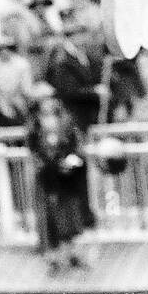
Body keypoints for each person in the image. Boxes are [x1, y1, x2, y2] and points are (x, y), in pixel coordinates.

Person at [27, 91, 89, 273]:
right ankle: (52, 260)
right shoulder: (35, 127)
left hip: (67, 179)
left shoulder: (67, 122)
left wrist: (72, 160)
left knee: (69, 216)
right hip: (47, 177)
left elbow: (77, 145)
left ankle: (71, 254)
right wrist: (51, 165)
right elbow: (34, 151)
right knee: (50, 219)